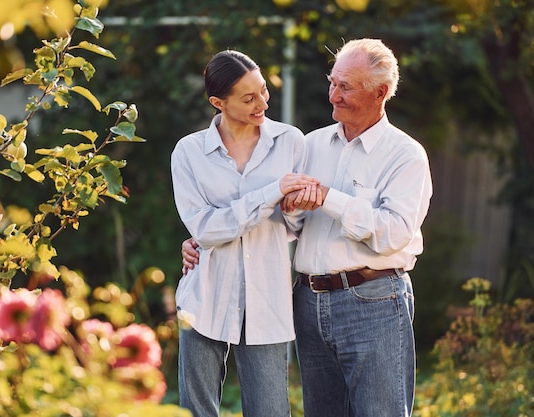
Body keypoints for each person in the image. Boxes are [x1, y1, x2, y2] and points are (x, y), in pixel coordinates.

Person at [182, 39, 433, 417]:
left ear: (380, 92)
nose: (333, 95)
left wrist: (328, 198)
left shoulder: (405, 155)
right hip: (309, 301)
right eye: (332, 82)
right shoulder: (311, 145)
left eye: (345, 86)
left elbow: (394, 233)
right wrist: (202, 238)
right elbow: (288, 223)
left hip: (374, 300)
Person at [171, 49, 320, 417]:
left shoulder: (291, 142)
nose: (262, 104)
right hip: (205, 297)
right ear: (217, 102)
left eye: (264, 91)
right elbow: (205, 228)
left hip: (267, 298)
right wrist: (271, 193)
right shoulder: (189, 153)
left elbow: (296, 229)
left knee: (270, 410)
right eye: (248, 98)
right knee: (197, 412)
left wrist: (295, 207)